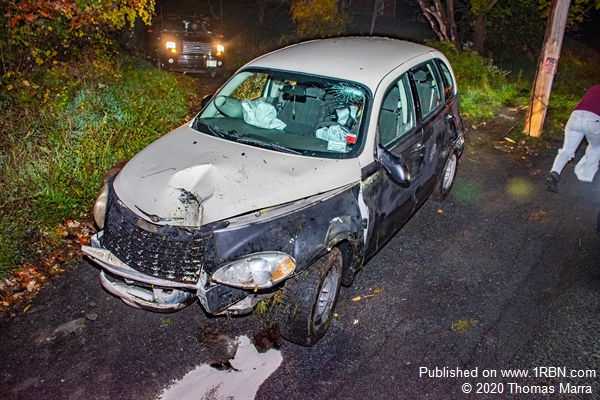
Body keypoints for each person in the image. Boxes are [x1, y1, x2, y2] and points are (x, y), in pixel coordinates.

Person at [545, 84, 600, 192]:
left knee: (567, 150)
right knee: (595, 147)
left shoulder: (595, 87)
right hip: (593, 119)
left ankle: (554, 173)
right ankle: (586, 177)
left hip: (575, 117)